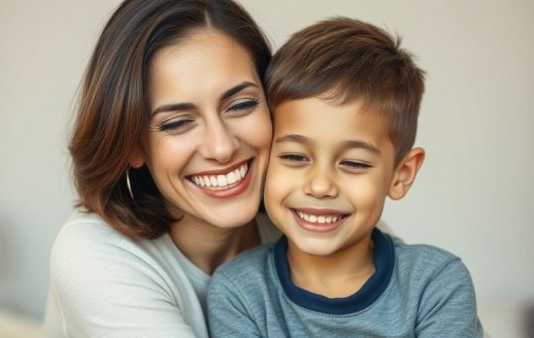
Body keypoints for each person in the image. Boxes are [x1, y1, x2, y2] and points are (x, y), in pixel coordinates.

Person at [207, 17, 483, 337]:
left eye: (353, 163)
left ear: (400, 175)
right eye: (295, 157)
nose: (321, 185)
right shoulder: (240, 293)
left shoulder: (435, 283)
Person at [42, 0, 280, 337]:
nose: (222, 147)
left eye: (241, 105)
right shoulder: (92, 254)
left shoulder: (305, 224)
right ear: (132, 146)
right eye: (178, 123)